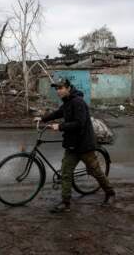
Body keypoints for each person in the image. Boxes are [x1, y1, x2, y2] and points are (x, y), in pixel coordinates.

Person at [35, 78, 115, 213]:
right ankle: (66, 203)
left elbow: (79, 123)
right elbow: (58, 113)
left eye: (60, 88)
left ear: (68, 88)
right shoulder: (67, 102)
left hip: (84, 145)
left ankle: (110, 193)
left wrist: (60, 126)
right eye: (57, 89)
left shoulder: (78, 102)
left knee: (95, 171)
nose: (58, 91)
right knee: (66, 173)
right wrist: (42, 118)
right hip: (72, 145)